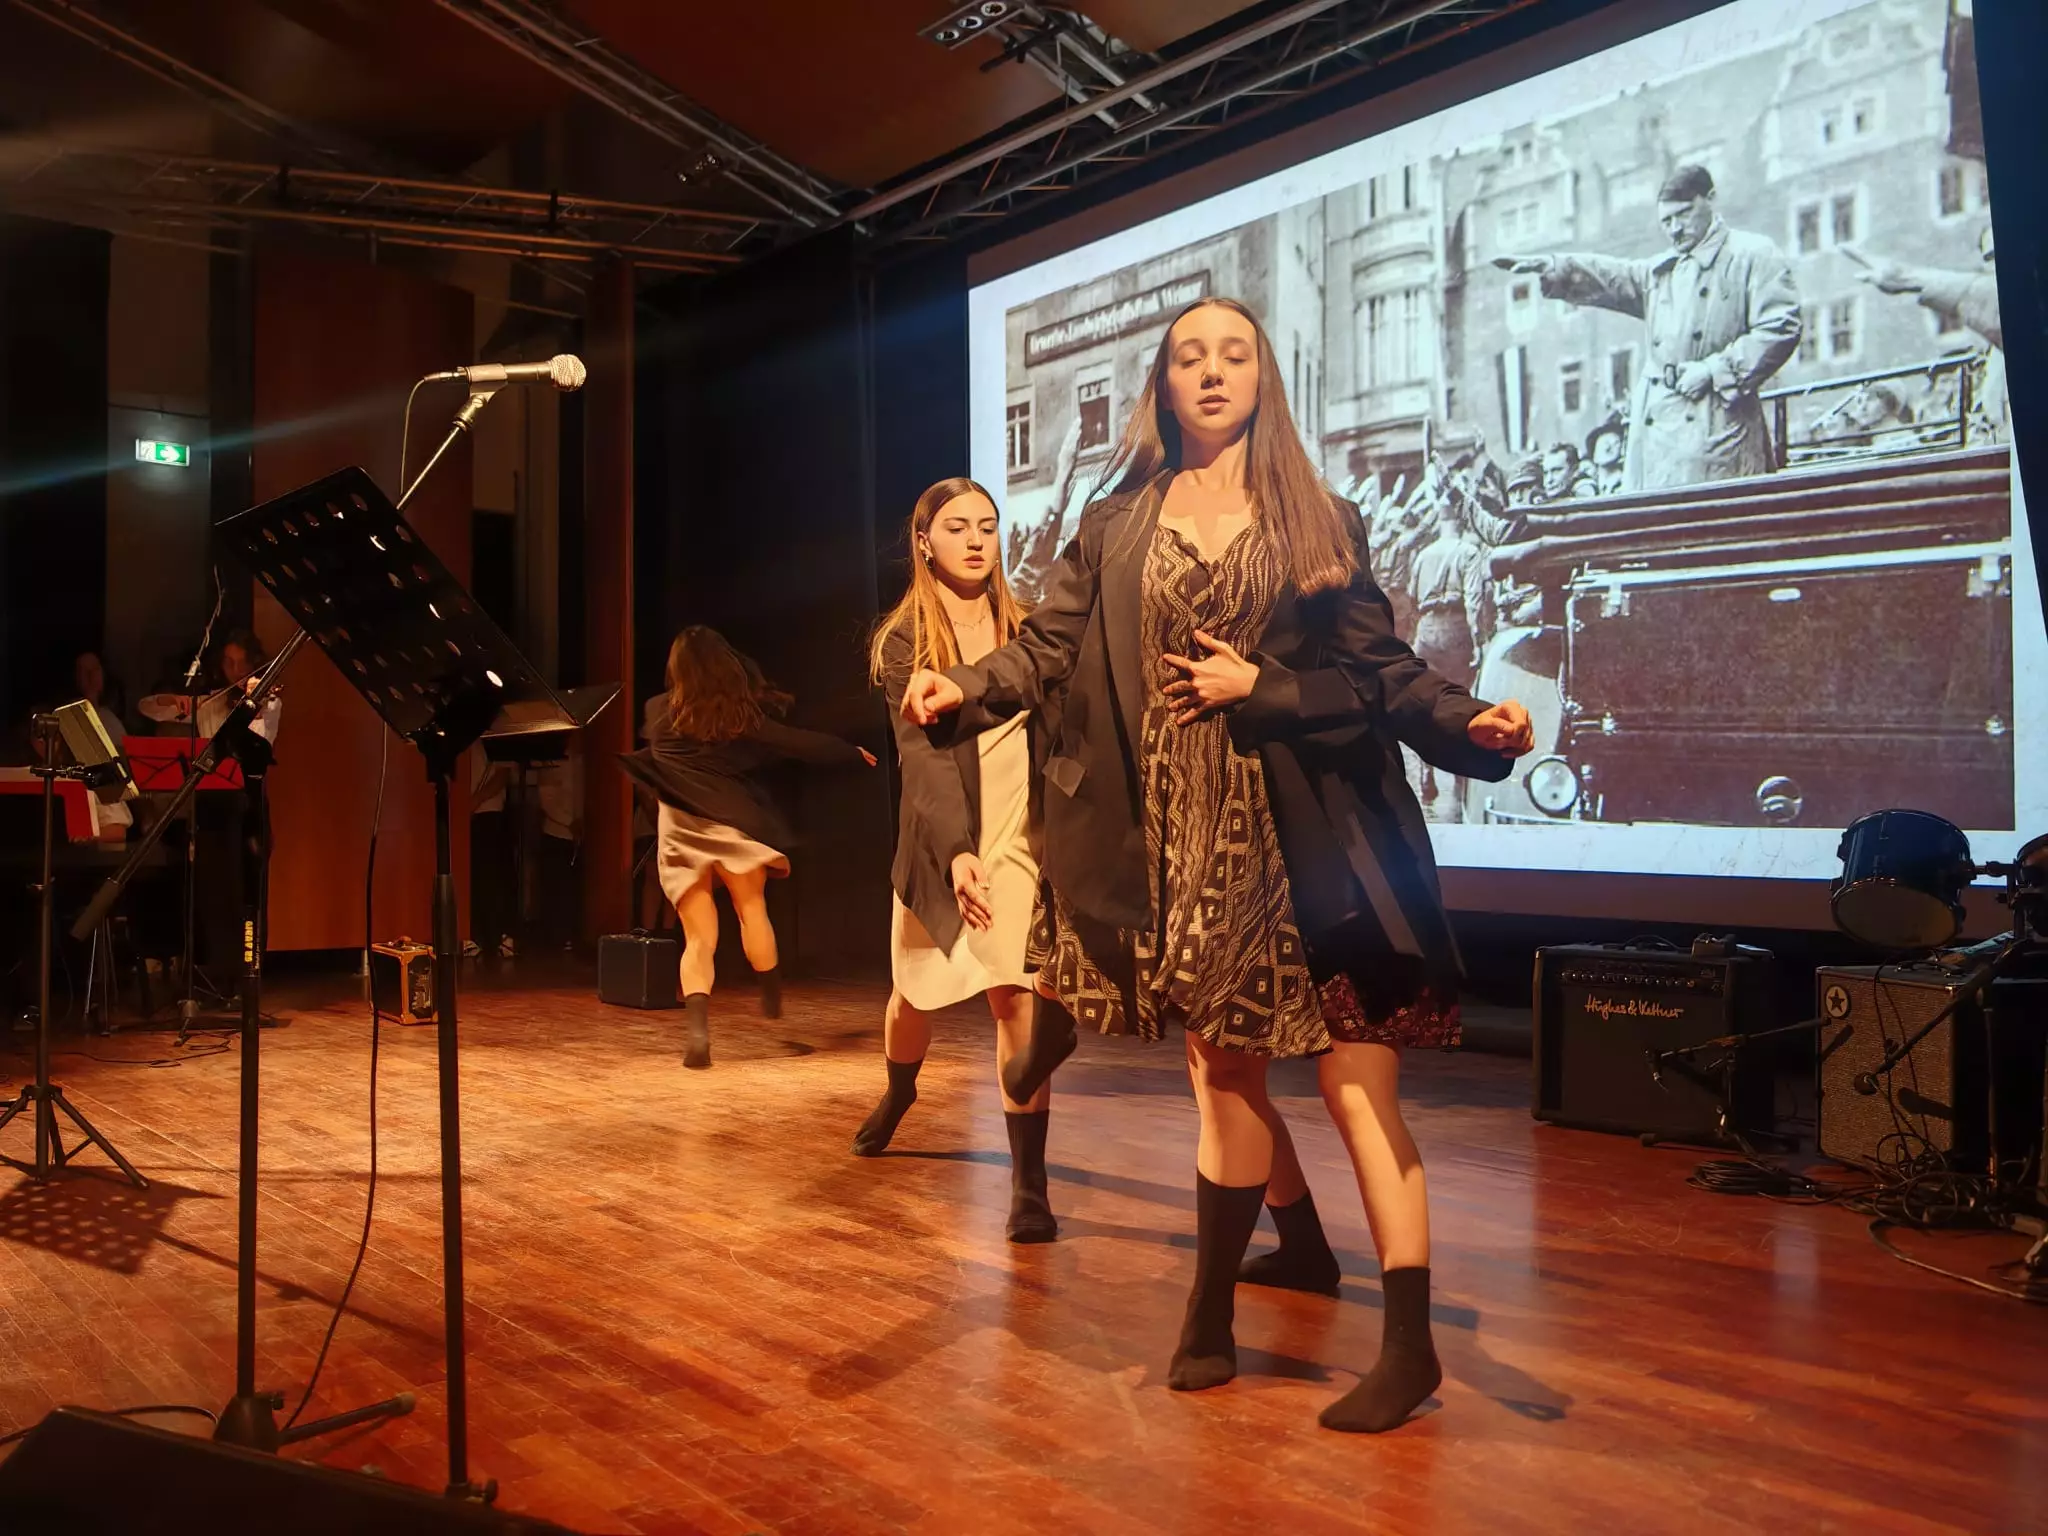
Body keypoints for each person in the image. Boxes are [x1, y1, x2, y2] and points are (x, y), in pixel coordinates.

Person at [902, 297, 1533, 1433]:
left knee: (1354, 1085)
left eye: (1233, 355)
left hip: (1313, 843)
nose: (1210, 371)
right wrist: (966, 689)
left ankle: (1408, 1347)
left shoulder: (1317, 518)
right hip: (1179, 843)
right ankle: (1208, 1314)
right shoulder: (1114, 522)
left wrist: (1455, 719)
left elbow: (1383, 674)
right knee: (1224, 1075)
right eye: (1189, 355)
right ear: (1162, 382)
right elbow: (1048, 647)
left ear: (1260, 378)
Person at [853, 477, 1061, 1244]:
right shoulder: (905, 640)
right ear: (924, 542)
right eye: (957, 527)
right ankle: (898, 1093)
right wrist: (957, 853)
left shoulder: (1027, 627)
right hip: (945, 838)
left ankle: (1029, 1186)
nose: (976, 540)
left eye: (987, 525)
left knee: (1015, 998)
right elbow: (923, 760)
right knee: (914, 998)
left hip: (1019, 835)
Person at [621, 627, 875, 1069]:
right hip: (730, 823)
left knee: (699, 938)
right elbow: (796, 743)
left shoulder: (658, 710)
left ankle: (698, 1034)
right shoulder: (738, 716)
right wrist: (849, 751)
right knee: (751, 910)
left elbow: (656, 758)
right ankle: (770, 988)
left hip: (682, 829)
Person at [1497, 164, 1801, 489]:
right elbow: (1612, 276)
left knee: (1713, 513)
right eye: (1666, 221)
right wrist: (1555, 265)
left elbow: (1780, 326)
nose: (1675, 229)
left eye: (1683, 214)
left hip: (1717, 426)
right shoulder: (1662, 272)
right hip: (1656, 434)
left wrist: (1713, 371)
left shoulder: (1752, 254)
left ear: (1711, 199)